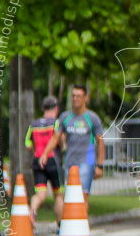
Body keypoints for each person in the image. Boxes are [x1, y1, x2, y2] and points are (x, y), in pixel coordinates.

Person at [39, 84, 105, 218]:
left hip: (86, 162)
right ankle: (67, 226)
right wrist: (45, 153)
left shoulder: (92, 118)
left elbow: (101, 141)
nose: (75, 99)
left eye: (79, 96)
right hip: (70, 163)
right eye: (73, 96)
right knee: (68, 196)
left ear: (85, 98)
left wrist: (100, 165)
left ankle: (82, 229)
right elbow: (56, 137)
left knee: (83, 196)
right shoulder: (65, 117)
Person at [26, 95, 63, 227]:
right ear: (56, 108)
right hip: (53, 160)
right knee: (59, 195)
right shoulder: (57, 123)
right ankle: (60, 225)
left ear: (43, 108)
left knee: (40, 194)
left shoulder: (33, 124)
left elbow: (28, 145)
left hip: (37, 160)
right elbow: (61, 142)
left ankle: (32, 211)